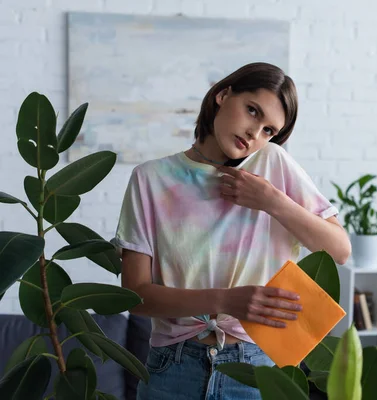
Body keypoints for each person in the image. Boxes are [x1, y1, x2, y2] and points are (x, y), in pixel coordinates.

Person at [113, 62, 352, 400]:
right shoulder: (150, 178)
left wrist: (273, 201)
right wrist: (226, 300)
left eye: (269, 130)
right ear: (223, 95)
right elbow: (135, 295)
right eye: (252, 111)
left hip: (259, 366)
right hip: (173, 367)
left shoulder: (274, 165)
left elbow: (339, 250)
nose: (256, 133)